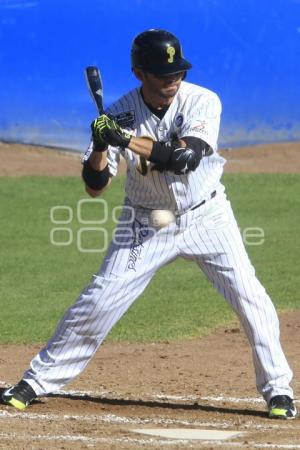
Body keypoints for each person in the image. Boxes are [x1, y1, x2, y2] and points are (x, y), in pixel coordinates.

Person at [2, 29, 296, 419]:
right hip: (144, 221)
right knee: (100, 298)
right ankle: (36, 381)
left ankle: (279, 391)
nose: (172, 81)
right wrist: (102, 145)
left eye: (177, 73)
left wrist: (123, 138)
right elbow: (96, 187)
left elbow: (184, 159)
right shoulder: (118, 113)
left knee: (250, 297)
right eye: (162, 75)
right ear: (140, 73)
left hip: (206, 215)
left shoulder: (203, 101)